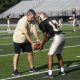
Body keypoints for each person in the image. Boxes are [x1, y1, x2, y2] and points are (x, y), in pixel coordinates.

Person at [36, 12, 65, 78]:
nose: (37, 19)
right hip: (62, 36)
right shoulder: (51, 20)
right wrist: (42, 43)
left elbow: (45, 36)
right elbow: (49, 36)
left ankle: (50, 74)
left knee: (50, 55)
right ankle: (62, 71)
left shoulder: (42, 23)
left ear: (41, 17)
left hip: (57, 38)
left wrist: (42, 45)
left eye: (37, 17)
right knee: (58, 54)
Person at [12, 9, 40, 76]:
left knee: (30, 53)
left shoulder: (32, 20)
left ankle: (31, 68)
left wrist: (37, 38)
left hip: (26, 40)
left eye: (33, 17)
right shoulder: (22, 21)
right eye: (32, 17)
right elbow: (26, 34)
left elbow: (34, 30)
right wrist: (32, 43)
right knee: (17, 54)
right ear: (28, 15)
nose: (33, 19)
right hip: (18, 39)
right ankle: (15, 70)